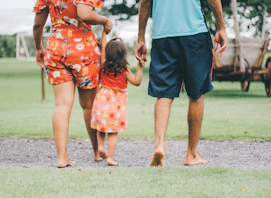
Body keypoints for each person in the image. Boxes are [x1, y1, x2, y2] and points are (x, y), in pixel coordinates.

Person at [135, 0, 228, 166]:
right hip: (194, 33)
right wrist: (221, 27)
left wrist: (141, 37)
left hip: (162, 35)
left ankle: (160, 144)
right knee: (196, 94)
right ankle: (191, 154)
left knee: (164, 93)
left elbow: (144, 2)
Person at [33, 0, 113, 168]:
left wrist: (39, 48)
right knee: (88, 105)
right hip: (83, 49)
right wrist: (105, 20)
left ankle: (62, 157)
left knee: (61, 104)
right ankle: (97, 151)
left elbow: (37, 25)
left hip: (56, 47)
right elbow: (84, 14)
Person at [90, 31, 143, 166]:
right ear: (123, 54)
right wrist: (140, 66)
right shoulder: (124, 70)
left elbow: (102, 48)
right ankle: (110, 158)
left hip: (101, 103)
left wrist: (103, 33)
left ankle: (100, 146)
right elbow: (137, 82)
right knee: (113, 133)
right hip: (116, 108)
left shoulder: (103, 66)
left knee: (101, 128)